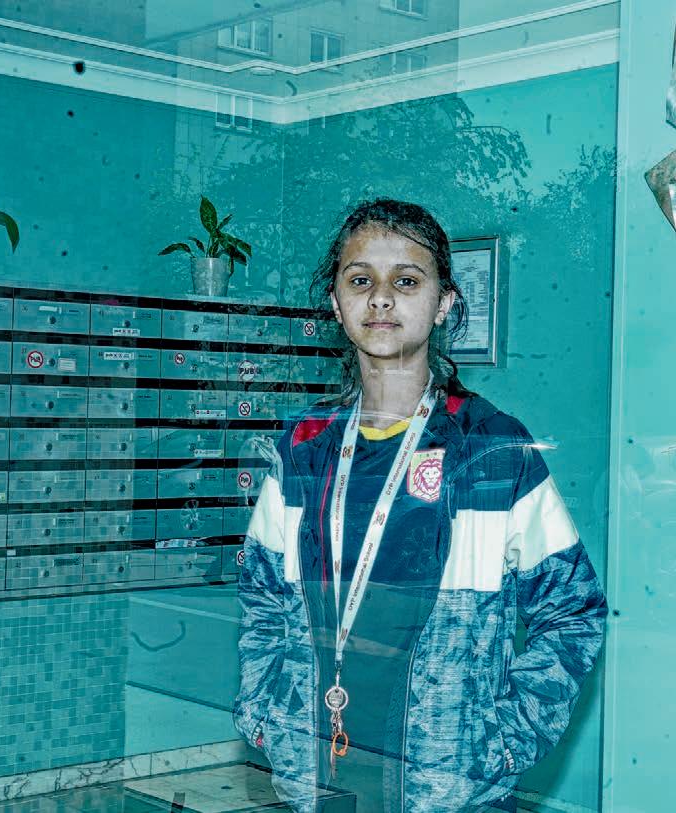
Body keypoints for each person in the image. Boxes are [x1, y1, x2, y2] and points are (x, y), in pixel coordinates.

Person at [232, 198, 607, 812]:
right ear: (336, 303)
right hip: (318, 779)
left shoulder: (491, 449)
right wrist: (265, 713)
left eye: (406, 281)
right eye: (361, 281)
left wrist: (500, 744)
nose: (381, 298)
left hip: (448, 793)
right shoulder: (303, 448)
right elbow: (262, 597)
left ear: (443, 303)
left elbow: (573, 611)